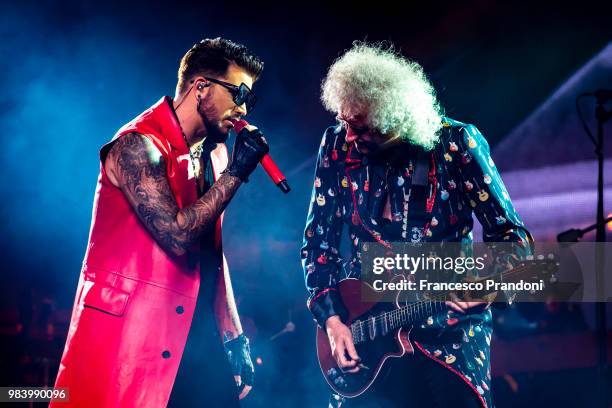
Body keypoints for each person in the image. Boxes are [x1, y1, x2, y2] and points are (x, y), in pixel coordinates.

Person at [301, 42, 533, 408]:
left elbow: (513, 239)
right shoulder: (335, 147)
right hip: (369, 337)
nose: (348, 136)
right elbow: (318, 245)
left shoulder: (456, 144)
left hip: (449, 340)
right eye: (344, 123)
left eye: (359, 127)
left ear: (392, 121)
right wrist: (332, 321)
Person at [52, 38, 269, 407]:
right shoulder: (138, 145)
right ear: (201, 87)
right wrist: (237, 173)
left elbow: (212, 253)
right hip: (129, 336)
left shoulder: (214, 155)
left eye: (250, 98)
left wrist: (234, 337)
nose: (243, 108)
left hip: (191, 336)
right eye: (239, 93)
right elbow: (178, 235)